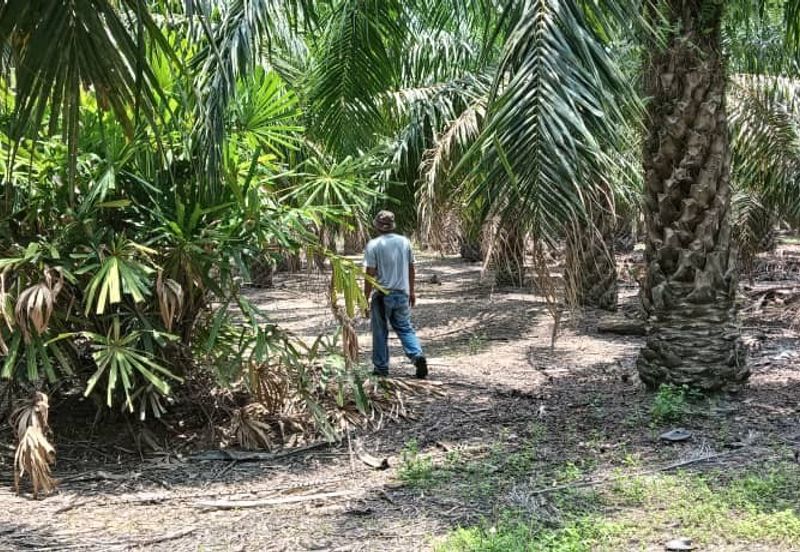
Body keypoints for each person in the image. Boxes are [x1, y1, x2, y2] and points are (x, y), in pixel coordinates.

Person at [363, 210, 428, 378]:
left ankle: (381, 368)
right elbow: (411, 267)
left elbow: (369, 273)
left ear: (377, 226)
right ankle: (417, 355)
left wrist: (365, 298)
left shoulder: (373, 245)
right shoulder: (404, 242)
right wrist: (412, 291)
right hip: (402, 293)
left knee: (380, 332)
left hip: (382, 295)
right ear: (392, 226)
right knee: (405, 328)